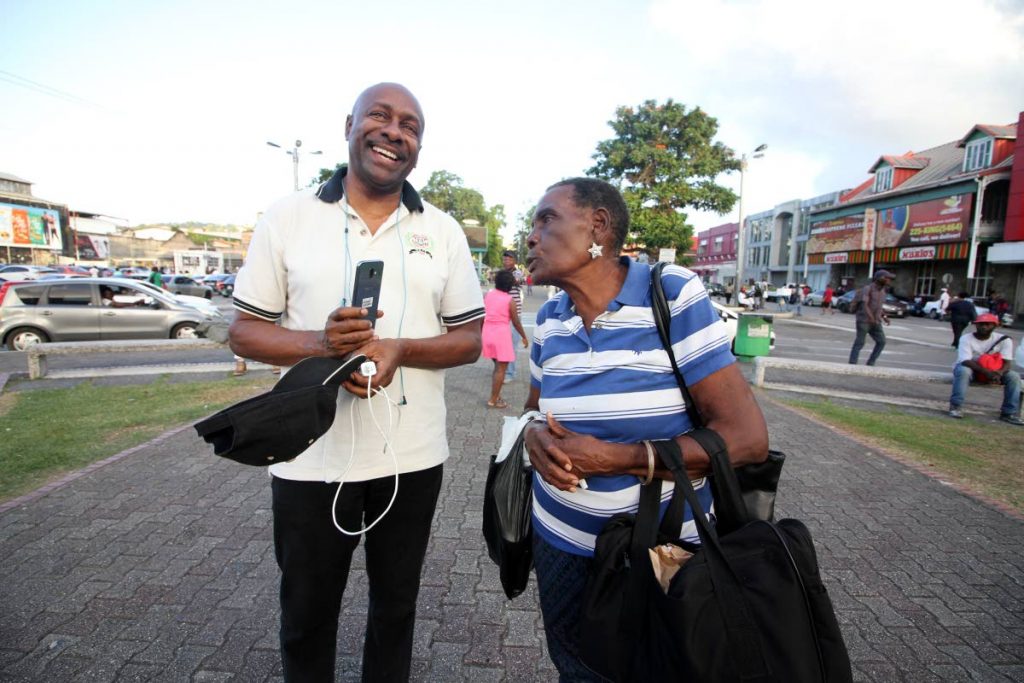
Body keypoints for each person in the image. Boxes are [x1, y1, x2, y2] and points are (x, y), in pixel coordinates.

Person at [228, 82, 484, 682]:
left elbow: (469, 340)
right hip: (310, 459)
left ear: (418, 147)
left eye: (411, 126)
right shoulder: (287, 216)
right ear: (350, 125)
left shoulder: (441, 229)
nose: (395, 132)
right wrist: (323, 345)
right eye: (381, 117)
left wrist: (399, 347)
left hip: (412, 456)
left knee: (396, 609)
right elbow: (243, 332)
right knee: (306, 613)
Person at [521, 177, 769, 679]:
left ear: (598, 226)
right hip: (560, 542)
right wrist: (531, 436)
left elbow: (746, 439)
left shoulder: (670, 293)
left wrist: (620, 459)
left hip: (659, 552)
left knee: (661, 669)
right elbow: (533, 409)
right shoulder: (549, 318)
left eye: (546, 219)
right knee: (577, 669)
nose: (532, 236)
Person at [948, 313, 1023, 425]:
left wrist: (999, 373)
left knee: (1014, 377)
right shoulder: (966, 338)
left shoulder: (1004, 340)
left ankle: (1009, 413)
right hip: (972, 368)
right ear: (976, 325)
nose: (983, 327)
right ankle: (956, 407)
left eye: (988, 324)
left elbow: (1007, 362)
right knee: (963, 371)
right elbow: (965, 360)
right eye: (980, 324)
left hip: (994, 371)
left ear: (995, 326)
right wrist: (986, 372)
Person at [482, 269, 529, 408]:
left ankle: (496, 395)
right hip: (501, 336)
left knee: (497, 367)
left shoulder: (488, 295)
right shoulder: (510, 300)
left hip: (487, 333)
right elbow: (516, 322)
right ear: (510, 285)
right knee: (501, 369)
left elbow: (480, 314)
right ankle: (493, 400)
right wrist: (524, 337)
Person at [848, 269, 894, 366]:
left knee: (881, 341)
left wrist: (884, 316)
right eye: (886, 278)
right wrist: (871, 317)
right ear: (879, 278)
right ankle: (852, 363)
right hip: (864, 321)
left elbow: (879, 307)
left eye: (889, 278)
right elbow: (865, 304)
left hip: (876, 321)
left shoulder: (883, 292)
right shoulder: (867, 289)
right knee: (860, 342)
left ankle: (871, 362)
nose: (888, 280)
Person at [501, 250, 525, 381]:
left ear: (514, 261)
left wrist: (503, 278)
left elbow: (517, 281)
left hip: (514, 315)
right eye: (505, 259)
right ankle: (503, 370)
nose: (506, 262)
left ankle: (510, 373)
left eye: (509, 259)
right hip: (502, 314)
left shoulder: (517, 272)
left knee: (511, 345)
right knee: (501, 344)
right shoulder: (503, 273)